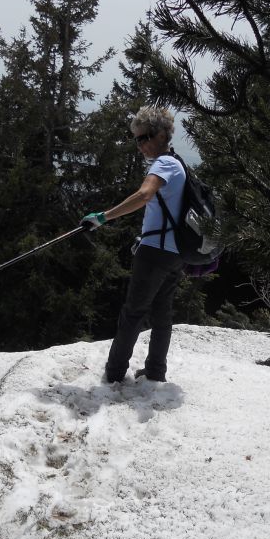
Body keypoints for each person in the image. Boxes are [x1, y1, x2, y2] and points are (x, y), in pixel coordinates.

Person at [80, 105, 186, 383]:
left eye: (144, 137)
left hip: (154, 252)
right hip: (176, 252)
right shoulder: (178, 163)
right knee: (162, 314)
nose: (140, 145)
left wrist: (103, 217)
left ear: (162, 134)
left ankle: (114, 374)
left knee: (133, 313)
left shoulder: (163, 164)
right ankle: (155, 372)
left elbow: (144, 195)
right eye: (136, 139)